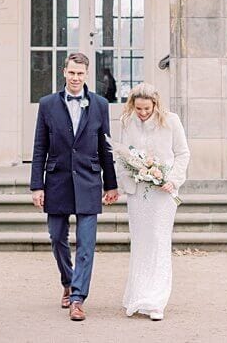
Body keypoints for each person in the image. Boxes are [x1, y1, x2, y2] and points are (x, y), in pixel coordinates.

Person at [30, 52, 119, 322]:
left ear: (86, 74)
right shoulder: (47, 104)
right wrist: (37, 186)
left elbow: (106, 146)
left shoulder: (101, 104)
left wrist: (111, 183)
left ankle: (78, 298)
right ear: (64, 73)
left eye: (80, 73)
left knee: (87, 243)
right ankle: (67, 282)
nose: (76, 78)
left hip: (89, 180)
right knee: (57, 238)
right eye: (72, 73)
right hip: (56, 181)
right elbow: (39, 147)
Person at [114, 83, 190, 321]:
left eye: (147, 108)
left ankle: (156, 300)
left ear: (155, 104)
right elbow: (122, 156)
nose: (143, 113)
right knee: (140, 241)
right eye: (139, 108)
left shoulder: (172, 121)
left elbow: (182, 153)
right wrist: (127, 180)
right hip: (138, 193)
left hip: (163, 193)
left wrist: (173, 180)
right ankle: (136, 295)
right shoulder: (127, 121)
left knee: (158, 240)